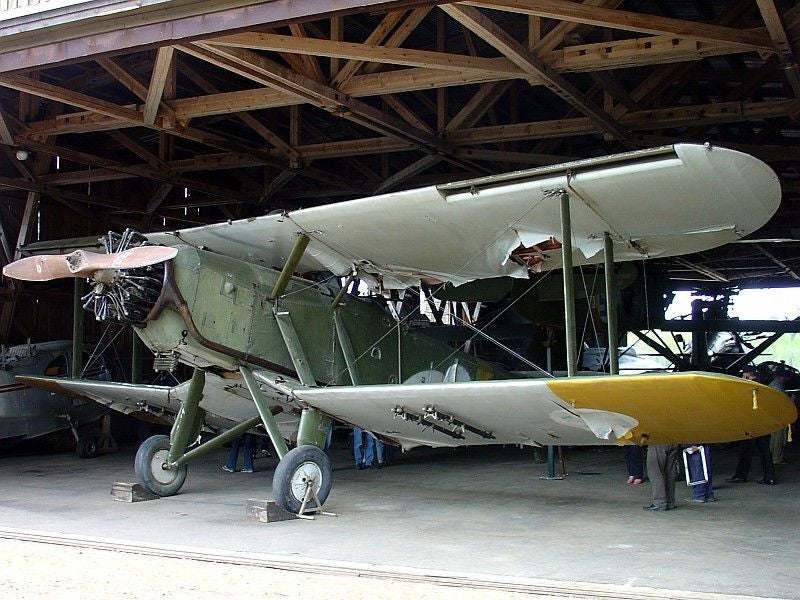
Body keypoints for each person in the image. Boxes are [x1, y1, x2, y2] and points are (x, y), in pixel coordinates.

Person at [726, 364, 777, 485]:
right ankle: (770, 477)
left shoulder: (749, 386)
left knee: (745, 450)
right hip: (763, 424)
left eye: (744, 374)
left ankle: (740, 475)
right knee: (765, 451)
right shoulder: (764, 385)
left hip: (752, 424)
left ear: (748, 374)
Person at [643, 443, 680, 511]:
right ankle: (670, 502)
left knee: (655, 472)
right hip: (674, 440)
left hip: (657, 441)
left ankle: (659, 503)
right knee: (670, 473)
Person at [768, 367, 792, 465]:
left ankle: (774, 457)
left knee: (775, 438)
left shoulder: (773, 385)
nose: (785, 381)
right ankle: (777, 458)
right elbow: (784, 402)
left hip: (774, 416)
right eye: (784, 378)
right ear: (780, 377)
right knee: (778, 439)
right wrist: (791, 398)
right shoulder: (777, 388)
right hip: (778, 417)